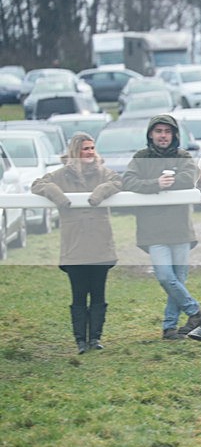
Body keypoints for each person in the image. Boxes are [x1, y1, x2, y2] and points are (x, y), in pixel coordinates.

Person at [31, 133, 122, 354]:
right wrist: (59, 197)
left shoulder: (104, 172)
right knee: (79, 295)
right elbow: (37, 184)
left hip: (100, 244)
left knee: (98, 294)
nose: (90, 152)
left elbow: (118, 182)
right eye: (85, 149)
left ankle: (95, 339)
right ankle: (80, 341)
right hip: (74, 246)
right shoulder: (61, 175)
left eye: (92, 148)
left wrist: (99, 193)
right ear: (75, 151)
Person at [122, 114, 201, 340]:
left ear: (174, 135)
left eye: (167, 131)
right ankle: (195, 313)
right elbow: (128, 181)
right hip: (153, 231)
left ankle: (169, 328)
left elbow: (190, 178)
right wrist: (155, 184)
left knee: (177, 280)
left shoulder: (183, 156)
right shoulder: (140, 158)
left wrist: (169, 183)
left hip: (180, 229)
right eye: (159, 131)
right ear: (151, 134)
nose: (163, 136)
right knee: (164, 276)